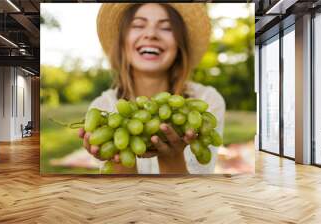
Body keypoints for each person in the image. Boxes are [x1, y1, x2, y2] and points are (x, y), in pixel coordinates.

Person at [78, 3, 225, 174]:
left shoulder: (206, 100)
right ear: (123, 41)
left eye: (166, 28)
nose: (151, 34)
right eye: (138, 25)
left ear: (179, 44)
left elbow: (195, 193)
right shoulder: (102, 108)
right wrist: (118, 159)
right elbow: (121, 196)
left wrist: (172, 158)